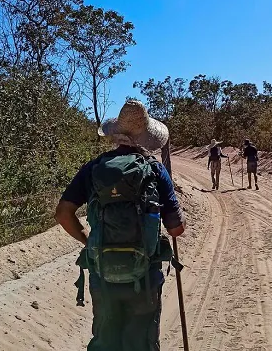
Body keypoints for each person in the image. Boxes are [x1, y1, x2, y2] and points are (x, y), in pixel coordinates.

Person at [54, 100, 186, 351]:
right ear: (146, 138)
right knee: (141, 341)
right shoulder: (155, 170)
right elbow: (176, 229)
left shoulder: (94, 168)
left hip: (102, 274)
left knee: (106, 339)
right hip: (144, 276)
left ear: (115, 135)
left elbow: (63, 213)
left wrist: (89, 241)